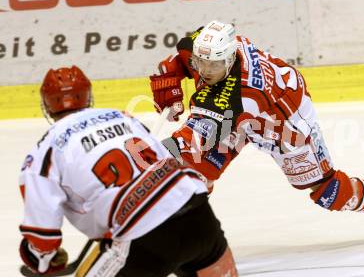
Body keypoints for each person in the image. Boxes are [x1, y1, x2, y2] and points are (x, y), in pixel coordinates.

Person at [148, 20, 364, 239]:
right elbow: (177, 62)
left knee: (327, 192)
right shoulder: (211, 48)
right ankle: (183, 228)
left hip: (284, 125)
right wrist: (169, 88)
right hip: (238, 116)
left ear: (231, 59)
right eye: (202, 63)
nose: (206, 71)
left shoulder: (238, 95)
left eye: (215, 65)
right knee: (196, 169)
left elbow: (190, 141)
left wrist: (146, 153)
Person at [18, 65, 238, 277]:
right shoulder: (123, 117)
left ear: (47, 106)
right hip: (195, 212)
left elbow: (42, 234)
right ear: (88, 96)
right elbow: (166, 160)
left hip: (142, 238)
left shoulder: (44, 150)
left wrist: (42, 260)